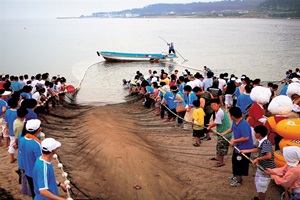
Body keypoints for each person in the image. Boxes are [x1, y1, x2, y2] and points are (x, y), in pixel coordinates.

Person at [220, 106, 254, 187]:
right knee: (234, 161)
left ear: (232, 116)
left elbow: (246, 137)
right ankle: (235, 175)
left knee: (239, 164)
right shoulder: (235, 122)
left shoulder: (244, 124)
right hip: (237, 147)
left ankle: (239, 181)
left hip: (244, 148)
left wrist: (234, 141)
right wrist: (223, 133)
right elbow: (231, 129)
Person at [240, 125, 276, 200]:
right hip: (262, 167)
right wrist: (246, 151)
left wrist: (257, 159)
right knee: (258, 183)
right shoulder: (262, 141)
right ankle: (260, 197)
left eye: (255, 133)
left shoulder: (265, 143)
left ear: (258, 134)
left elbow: (268, 156)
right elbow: (258, 149)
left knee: (261, 186)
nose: (254, 134)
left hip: (266, 169)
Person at [206, 99, 232, 167]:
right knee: (219, 146)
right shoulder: (217, 111)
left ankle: (221, 162)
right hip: (222, 132)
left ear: (219, 105)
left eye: (214, 105)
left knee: (221, 147)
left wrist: (210, 127)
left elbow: (217, 122)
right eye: (211, 105)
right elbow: (216, 121)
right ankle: (217, 158)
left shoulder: (220, 112)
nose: (213, 106)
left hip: (225, 133)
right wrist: (211, 125)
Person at [21, 119, 43, 198]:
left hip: (27, 170)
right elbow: (40, 161)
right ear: (39, 129)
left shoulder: (22, 139)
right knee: (39, 192)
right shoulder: (37, 144)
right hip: (36, 173)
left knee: (34, 191)